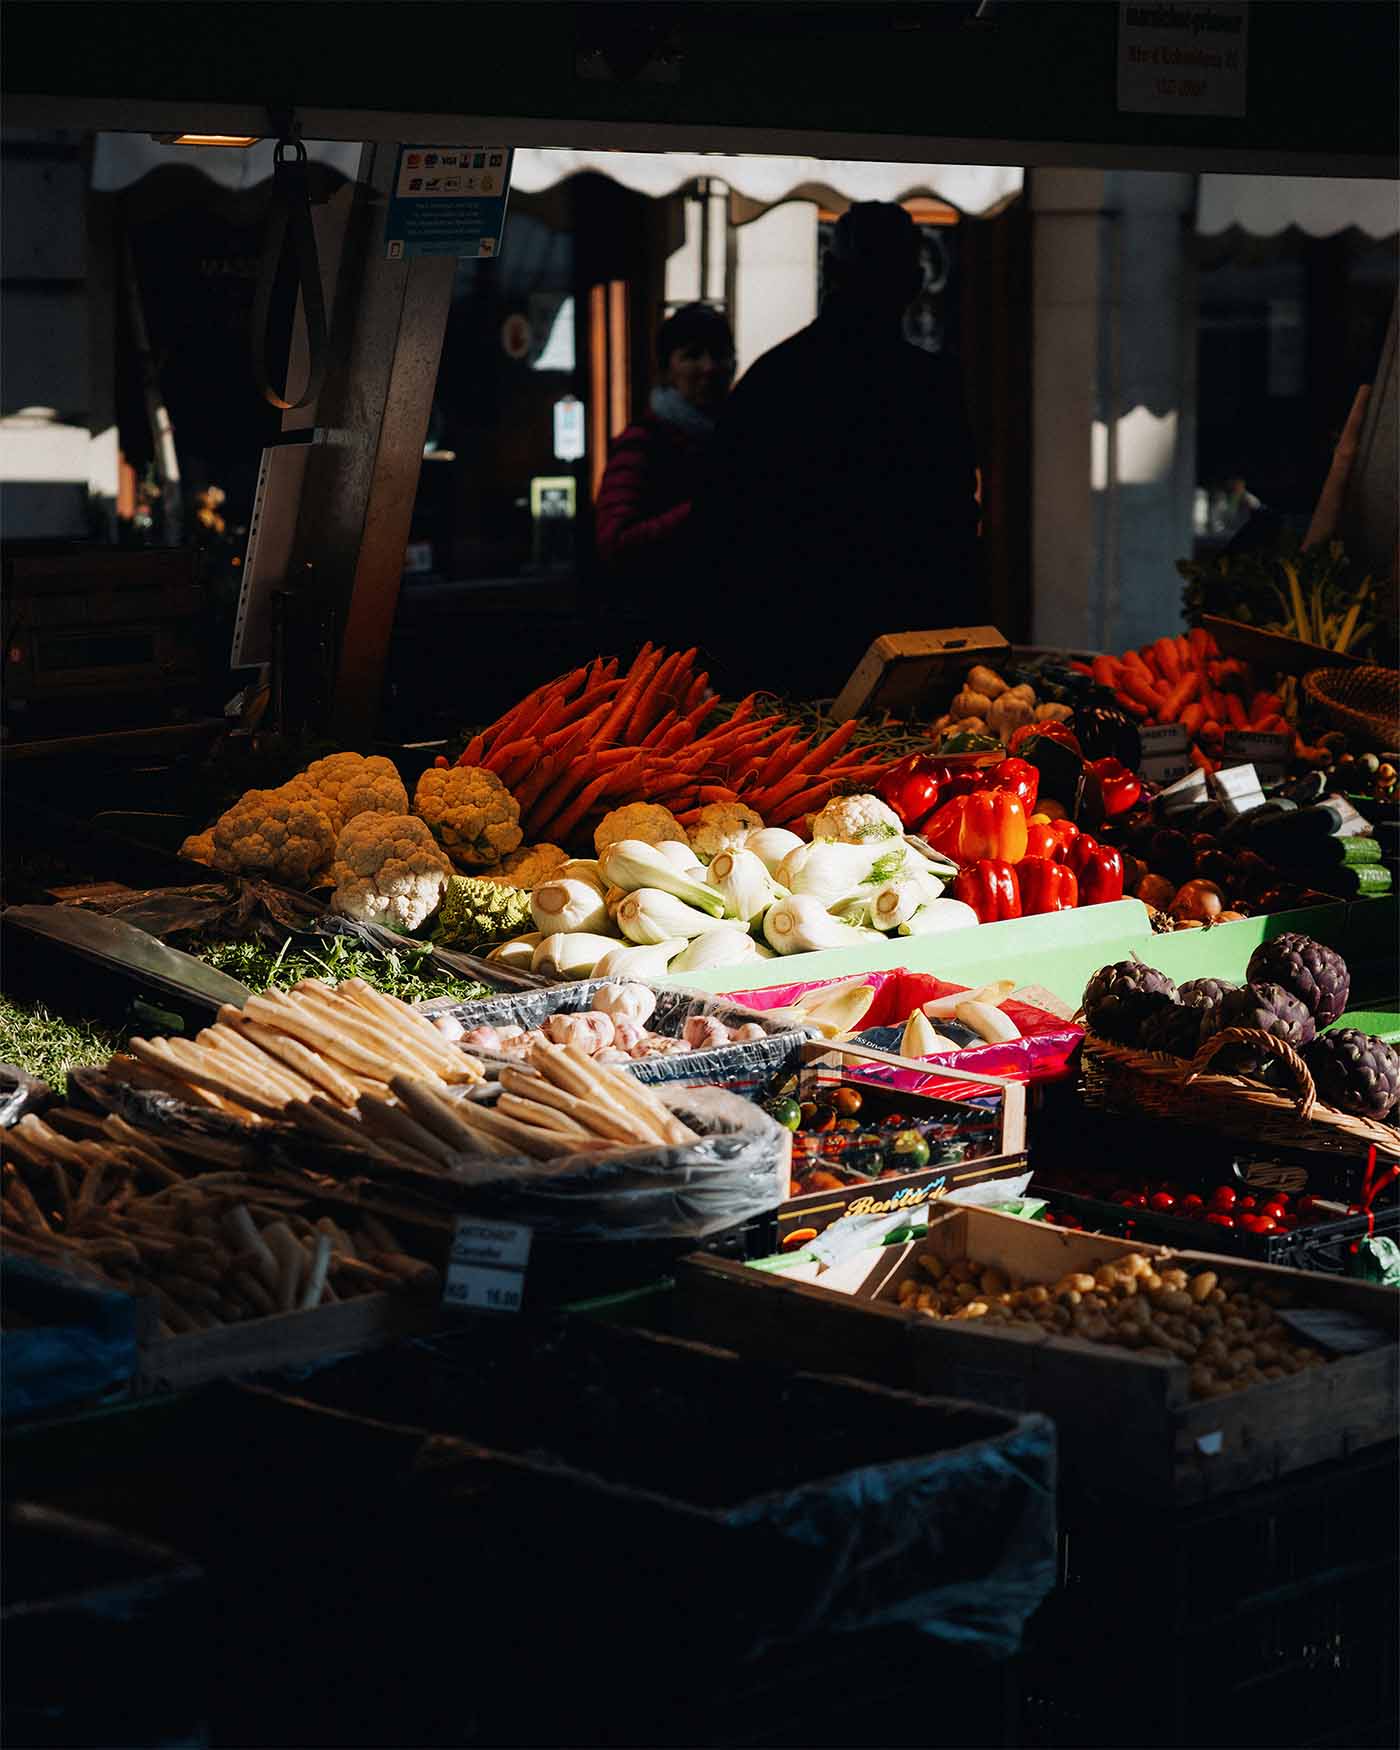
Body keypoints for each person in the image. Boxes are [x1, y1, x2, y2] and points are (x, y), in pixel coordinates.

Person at [694, 202, 979, 696]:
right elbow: (955, 536)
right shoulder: (931, 389)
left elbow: (722, 541)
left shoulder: (771, 382)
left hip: (785, 661)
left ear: (830, 271)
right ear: (913, 283)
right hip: (906, 663)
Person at [594, 302, 735, 603]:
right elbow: (616, 544)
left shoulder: (740, 437)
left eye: (719, 354)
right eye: (692, 355)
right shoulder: (642, 444)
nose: (709, 368)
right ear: (667, 370)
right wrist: (705, 508)